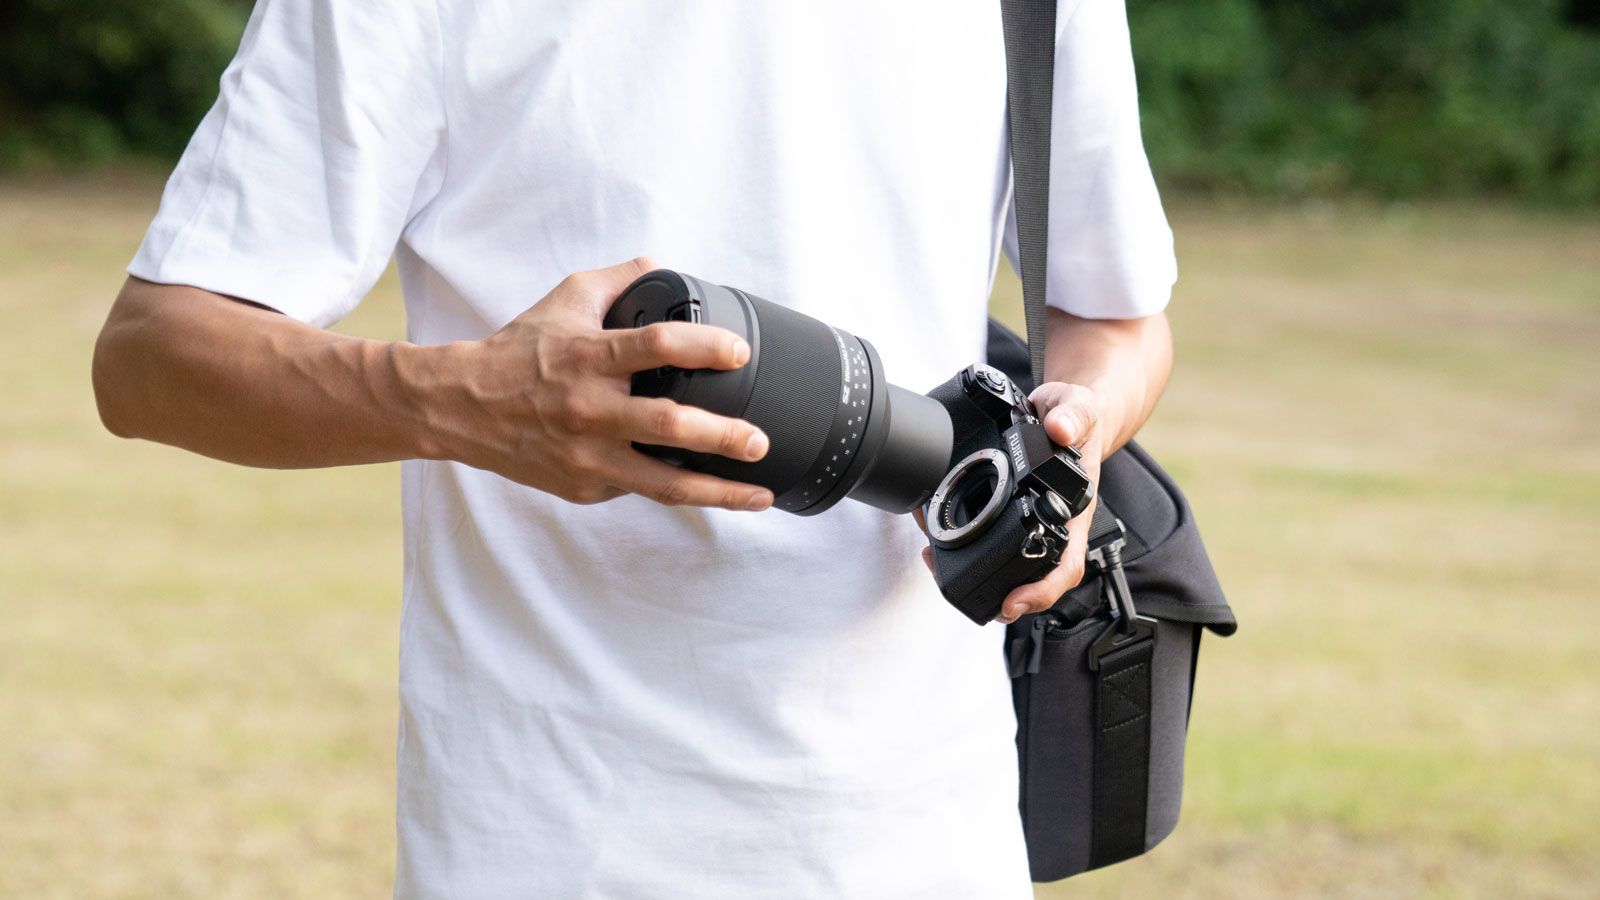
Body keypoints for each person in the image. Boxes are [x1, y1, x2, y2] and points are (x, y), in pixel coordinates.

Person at [91, 1, 1175, 896]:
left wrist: (1072, 433)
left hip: (931, 835)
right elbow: (149, 357)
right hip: (551, 841)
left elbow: (1116, 317)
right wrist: (466, 399)